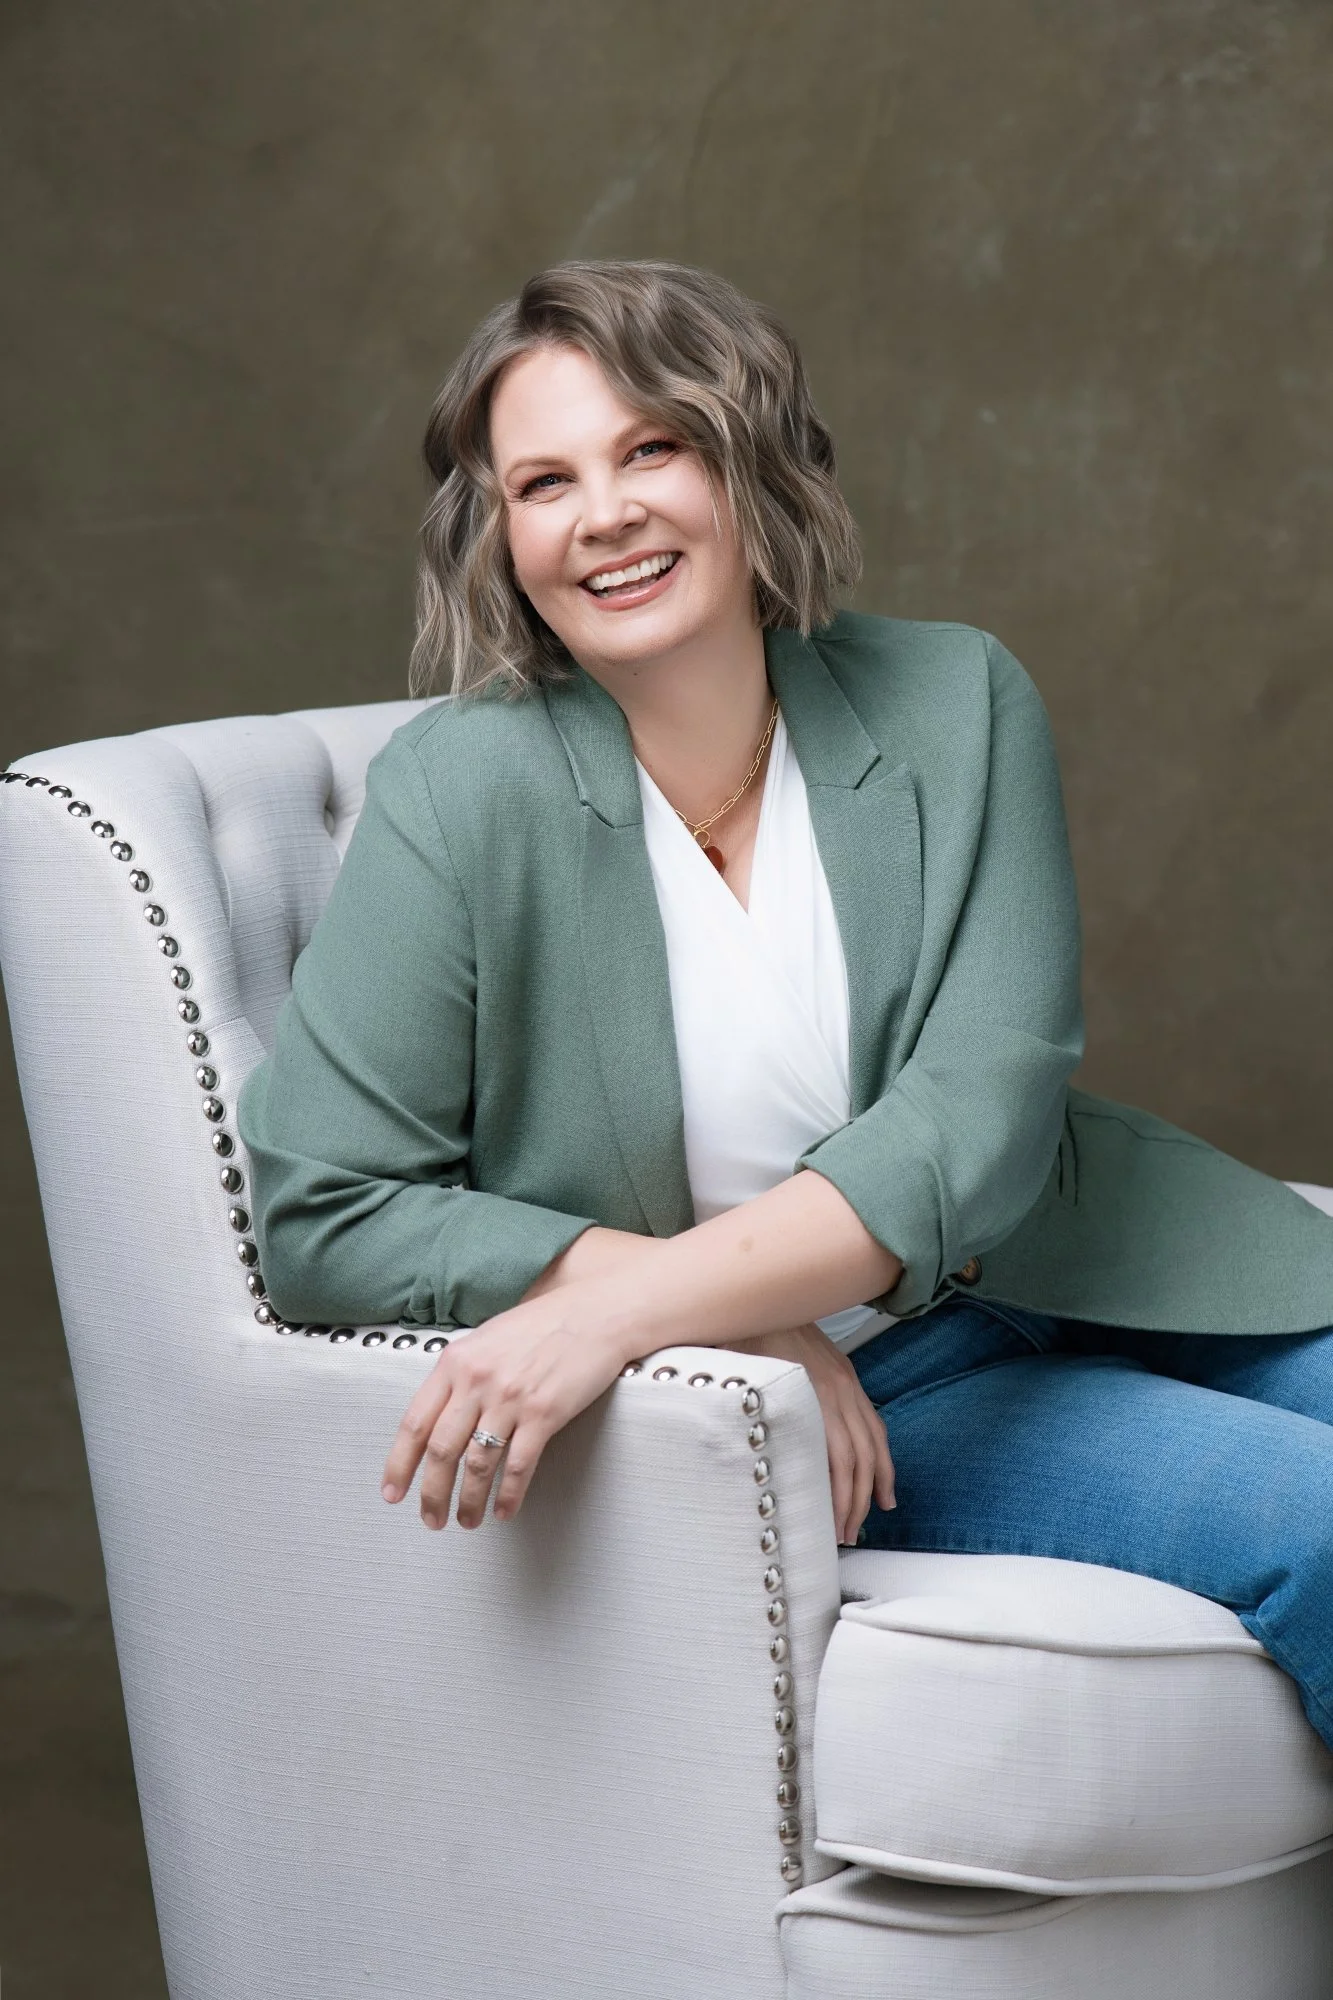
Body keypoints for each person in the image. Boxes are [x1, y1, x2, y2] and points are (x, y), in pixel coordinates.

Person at [236, 259, 1333, 1750]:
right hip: (885, 1400)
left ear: (745, 459)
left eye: (651, 448)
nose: (605, 512)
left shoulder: (958, 698)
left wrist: (647, 1302)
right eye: (544, 482)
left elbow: (981, 1119)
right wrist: (740, 1324)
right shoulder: (457, 797)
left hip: (1081, 1258)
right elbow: (320, 1208)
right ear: (502, 541)